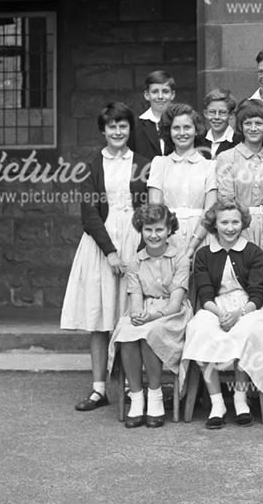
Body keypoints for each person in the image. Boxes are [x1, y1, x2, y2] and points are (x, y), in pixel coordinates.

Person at [61, 102, 149, 412]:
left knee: (129, 315)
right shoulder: (91, 166)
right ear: (103, 130)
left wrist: (142, 246)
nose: (118, 131)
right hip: (102, 245)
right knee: (100, 319)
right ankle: (99, 389)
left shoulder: (143, 163)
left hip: (136, 241)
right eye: (112, 126)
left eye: (123, 125)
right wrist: (110, 251)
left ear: (129, 129)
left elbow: (150, 208)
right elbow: (89, 215)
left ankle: (131, 387)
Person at [181, 201, 263, 428]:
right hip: (215, 307)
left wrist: (238, 314)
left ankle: (240, 398)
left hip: (248, 307)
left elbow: (257, 294)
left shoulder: (253, 252)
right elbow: (205, 295)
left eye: (235, 222)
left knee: (247, 331)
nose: (230, 228)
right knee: (199, 329)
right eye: (224, 222)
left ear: (243, 223)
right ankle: (217, 402)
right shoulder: (204, 254)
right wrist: (221, 314)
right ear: (215, 224)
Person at [108, 204, 192, 428]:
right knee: (127, 332)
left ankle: (155, 397)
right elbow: (135, 299)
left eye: (159, 230)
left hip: (171, 314)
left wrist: (150, 318)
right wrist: (137, 315)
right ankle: (136, 396)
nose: (153, 235)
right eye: (148, 230)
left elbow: (175, 304)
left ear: (168, 231)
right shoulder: (135, 262)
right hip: (146, 309)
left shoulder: (180, 258)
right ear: (140, 230)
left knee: (150, 333)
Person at [147, 103, 217, 258]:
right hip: (168, 237)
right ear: (168, 131)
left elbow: (210, 210)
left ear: (196, 130)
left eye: (187, 127)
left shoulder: (210, 166)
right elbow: (156, 209)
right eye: (176, 128)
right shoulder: (160, 163)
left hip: (202, 237)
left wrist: (192, 245)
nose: (182, 133)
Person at [214, 100, 263, 265]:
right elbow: (226, 200)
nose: (253, 128)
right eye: (248, 123)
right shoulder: (227, 158)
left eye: (259, 123)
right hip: (237, 226)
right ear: (241, 127)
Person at [129, 69, 176, 160]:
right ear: (147, 95)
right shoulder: (135, 127)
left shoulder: (181, 123)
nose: (160, 96)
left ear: (172, 95)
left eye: (165, 91)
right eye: (155, 92)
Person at [202, 88, 238, 157]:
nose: (216, 117)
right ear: (205, 114)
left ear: (231, 114)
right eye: (212, 112)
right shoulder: (199, 141)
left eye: (222, 112)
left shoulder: (239, 142)